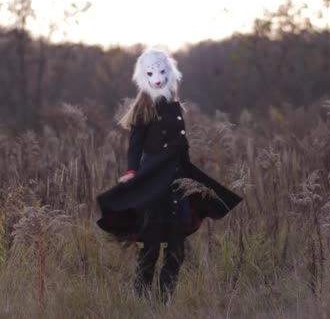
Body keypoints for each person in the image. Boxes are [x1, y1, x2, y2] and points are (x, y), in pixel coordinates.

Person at [96, 48, 242, 303]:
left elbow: (181, 149)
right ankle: (142, 302)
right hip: (153, 185)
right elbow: (135, 146)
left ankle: (163, 302)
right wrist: (131, 172)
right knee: (151, 246)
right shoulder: (143, 109)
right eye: (151, 73)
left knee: (176, 248)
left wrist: (194, 181)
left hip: (177, 183)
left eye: (162, 72)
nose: (157, 78)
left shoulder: (176, 107)